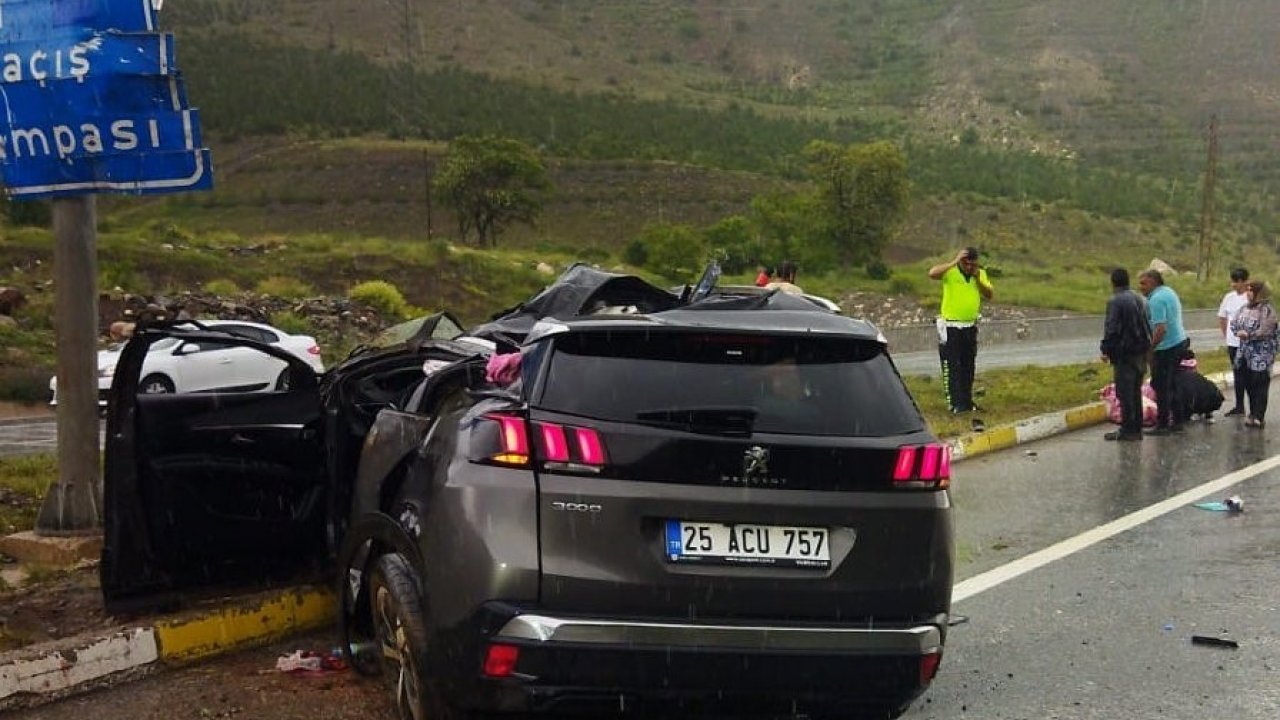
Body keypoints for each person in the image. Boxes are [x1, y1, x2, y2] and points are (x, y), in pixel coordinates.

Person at [928, 247, 994, 421]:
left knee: (968, 366)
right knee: (952, 365)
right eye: (966, 263)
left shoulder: (979, 274)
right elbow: (932, 273)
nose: (969, 267)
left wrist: (977, 278)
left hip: (969, 326)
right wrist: (954, 261)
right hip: (951, 326)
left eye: (972, 263)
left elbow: (989, 293)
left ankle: (966, 401)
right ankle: (955, 403)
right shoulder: (950, 272)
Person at [1099, 268, 1151, 441]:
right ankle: (1136, 427)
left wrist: (1106, 349)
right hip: (1141, 352)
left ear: (1113, 282)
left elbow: (1112, 328)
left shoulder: (1115, 301)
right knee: (1135, 391)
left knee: (1125, 392)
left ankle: (1128, 429)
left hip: (1125, 353)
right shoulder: (1140, 299)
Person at [1137, 269, 1189, 434]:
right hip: (1179, 342)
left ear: (1153, 281)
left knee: (1161, 385)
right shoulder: (1168, 292)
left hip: (1167, 347)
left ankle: (1163, 423)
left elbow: (1160, 329)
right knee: (1173, 384)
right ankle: (1178, 421)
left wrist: (1150, 349)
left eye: (1143, 283)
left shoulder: (1156, 300)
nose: (1141, 287)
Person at [1229, 280, 1277, 428]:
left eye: (1251, 290)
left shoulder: (1267, 310)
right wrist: (1238, 332)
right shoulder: (1244, 308)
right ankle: (1252, 413)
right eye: (1248, 290)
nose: (1248, 293)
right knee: (1248, 383)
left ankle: (1259, 416)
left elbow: (1265, 331)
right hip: (1244, 352)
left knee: (1260, 385)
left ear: (1259, 293)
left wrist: (1248, 335)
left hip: (1261, 354)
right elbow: (1234, 323)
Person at [1217, 267, 1250, 416]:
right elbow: (1222, 317)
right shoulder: (1228, 297)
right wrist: (1227, 335)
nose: (1233, 285)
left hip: (1248, 343)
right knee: (1238, 374)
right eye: (1233, 281)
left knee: (1250, 374)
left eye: (1236, 281)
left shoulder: (1250, 297)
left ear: (1243, 281)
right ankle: (1239, 406)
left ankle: (1255, 408)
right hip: (1233, 343)